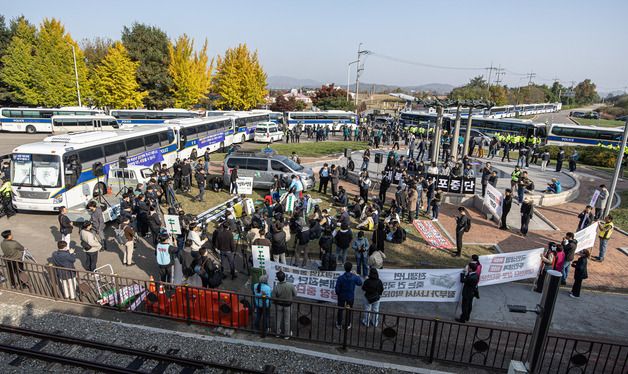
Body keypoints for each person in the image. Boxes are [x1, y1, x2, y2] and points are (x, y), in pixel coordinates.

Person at [334, 262, 363, 329]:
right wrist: (356, 275)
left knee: (340, 310)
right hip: (350, 297)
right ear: (351, 268)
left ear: (344, 268)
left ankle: (339, 324)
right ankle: (347, 324)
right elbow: (360, 283)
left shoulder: (340, 278)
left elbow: (337, 289)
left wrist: (339, 294)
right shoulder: (354, 277)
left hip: (342, 296)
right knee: (349, 310)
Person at [271, 270, 297, 339]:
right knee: (287, 320)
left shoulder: (276, 287)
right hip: (288, 305)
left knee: (278, 319)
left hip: (279, 305)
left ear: (278, 278)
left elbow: (273, 297)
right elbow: (295, 294)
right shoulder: (291, 285)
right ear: (285, 277)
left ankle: (277, 333)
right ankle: (286, 335)